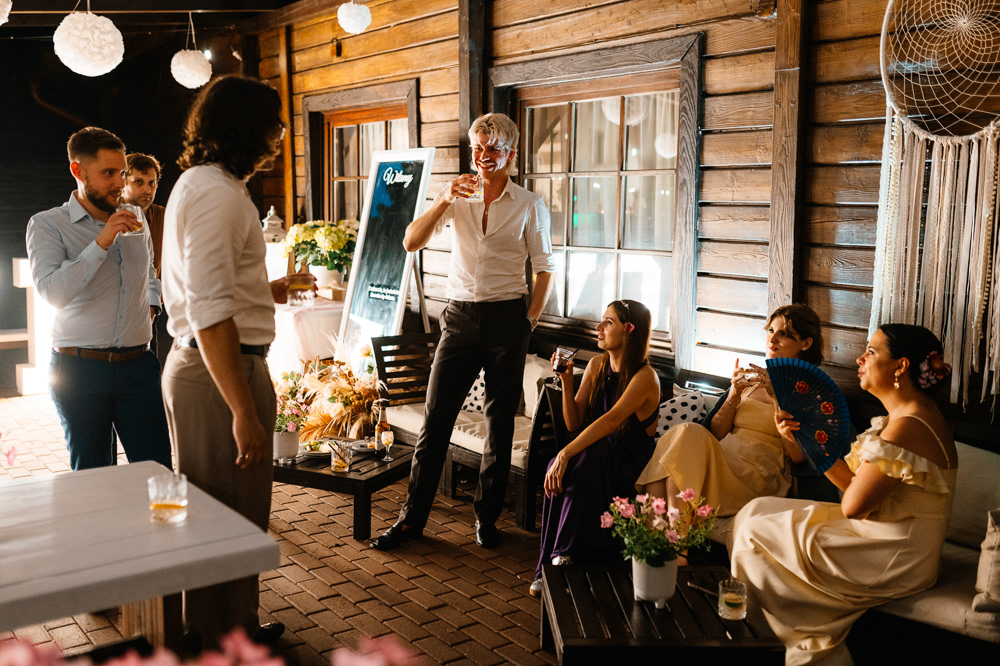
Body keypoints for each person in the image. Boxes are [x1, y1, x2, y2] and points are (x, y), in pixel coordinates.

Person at [161, 75, 304, 649]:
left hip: (213, 365)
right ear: (249, 127)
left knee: (230, 511)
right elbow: (209, 311)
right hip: (218, 373)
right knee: (226, 515)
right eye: (274, 124)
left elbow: (217, 291)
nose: (280, 135)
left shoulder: (207, 184)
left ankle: (233, 625)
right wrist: (243, 410)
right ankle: (220, 640)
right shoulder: (217, 194)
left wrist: (265, 291)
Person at [370, 112, 555, 551]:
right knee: (435, 420)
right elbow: (410, 242)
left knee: (499, 425)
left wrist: (527, 322)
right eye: (477, 147)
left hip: (508, 320)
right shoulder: (456, 196)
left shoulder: (530, 205)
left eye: (493, 148)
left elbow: (545, 269)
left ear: (510, 154)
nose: (483, 155)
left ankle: (486, 520)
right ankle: (411, 522)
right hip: (459, 318)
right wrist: (442, 200)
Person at [730, 324, 957, 665]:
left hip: (896, 551)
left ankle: (803, 644)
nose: (859, 359)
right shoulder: (900, 418)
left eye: (872, 351)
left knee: (754, 531)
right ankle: (782, 637)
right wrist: (804, 435)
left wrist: (812, 443)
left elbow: (852, 506)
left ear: (901, 366)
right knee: (756, 510)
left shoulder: (908, 426)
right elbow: (853, 483)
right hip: (884, 530)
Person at [25, 126, 171, 472]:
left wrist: (151, 307)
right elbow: (53, 292)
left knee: (158, 473)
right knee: (93, 477)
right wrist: (102, 241)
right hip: (79, 370)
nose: (120, 183)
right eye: (108, 173)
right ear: (78, 170)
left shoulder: (136, 216)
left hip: (139, 366)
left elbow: (151, 270)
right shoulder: (48, 225)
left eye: (122, 172)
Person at [636, 304, 824, 521]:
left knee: (680, 446)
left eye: (784, 334)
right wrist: (734, 394)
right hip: (722, 460)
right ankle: (662, 534)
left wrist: (777, 398)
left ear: (806, 343)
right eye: (771, 331)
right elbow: (715, 433)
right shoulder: (755, 380)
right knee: (684, 433)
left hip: (758, 474)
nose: (772, 340)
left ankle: (669, 535)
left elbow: (799, 457)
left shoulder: (810, 393)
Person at [529, 300, 660, 596]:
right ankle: (550, 562)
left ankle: (565, 555)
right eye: (601, 320)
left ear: (629, 330)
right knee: (557, 467)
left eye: (608, 322)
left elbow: (612, 421)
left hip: (630, 464)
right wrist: (566, 382)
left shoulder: (645, 377)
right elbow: (573, 422)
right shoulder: (596, 365)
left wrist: (566, 453)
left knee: (581, 460)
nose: (599, 327)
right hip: (599, 453)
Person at [122, 152, 171, 364]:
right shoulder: (109, 215)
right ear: (123, 182)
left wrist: (154, 305)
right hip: (115, 310)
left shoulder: (164, 216)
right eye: (139, 182)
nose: (147, 189)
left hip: (152, 309)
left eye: (152, 183)